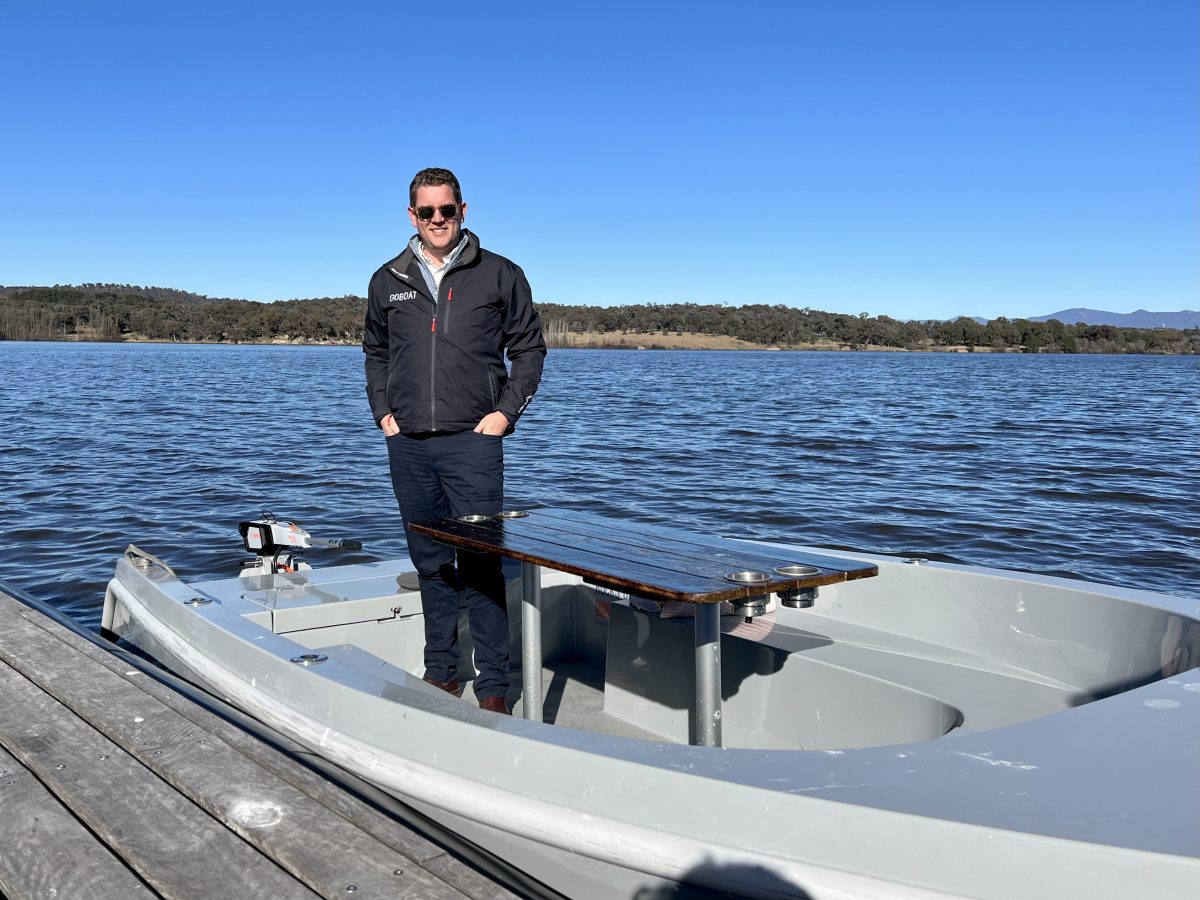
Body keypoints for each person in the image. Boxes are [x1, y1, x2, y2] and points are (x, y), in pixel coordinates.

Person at [363, 167, 546, 714]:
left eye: (446, 210)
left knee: (482, 563)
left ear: (463, 211)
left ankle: (494, 685)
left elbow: (530, 350)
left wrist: (505, 414)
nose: (437, 220)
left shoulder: (499, 274)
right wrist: (383, 413)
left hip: (473, 442)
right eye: (426, 212)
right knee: (431, 563)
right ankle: (441, 671)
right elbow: (374, 352)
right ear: (412, 216)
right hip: (410, 442)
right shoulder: (387, 279)